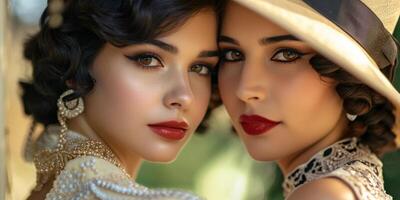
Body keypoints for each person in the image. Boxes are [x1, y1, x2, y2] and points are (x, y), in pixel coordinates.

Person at [20, 0, 221, 199]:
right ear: (75, 64)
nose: (185, 97)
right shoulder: (93, 189)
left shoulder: (60, 176)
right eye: (148, 59)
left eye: (200, 68)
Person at [217, 0, 400, 199]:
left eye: (287, 54)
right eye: (232, 54)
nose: (244, 89)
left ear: (349, 78)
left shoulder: (325, 194)